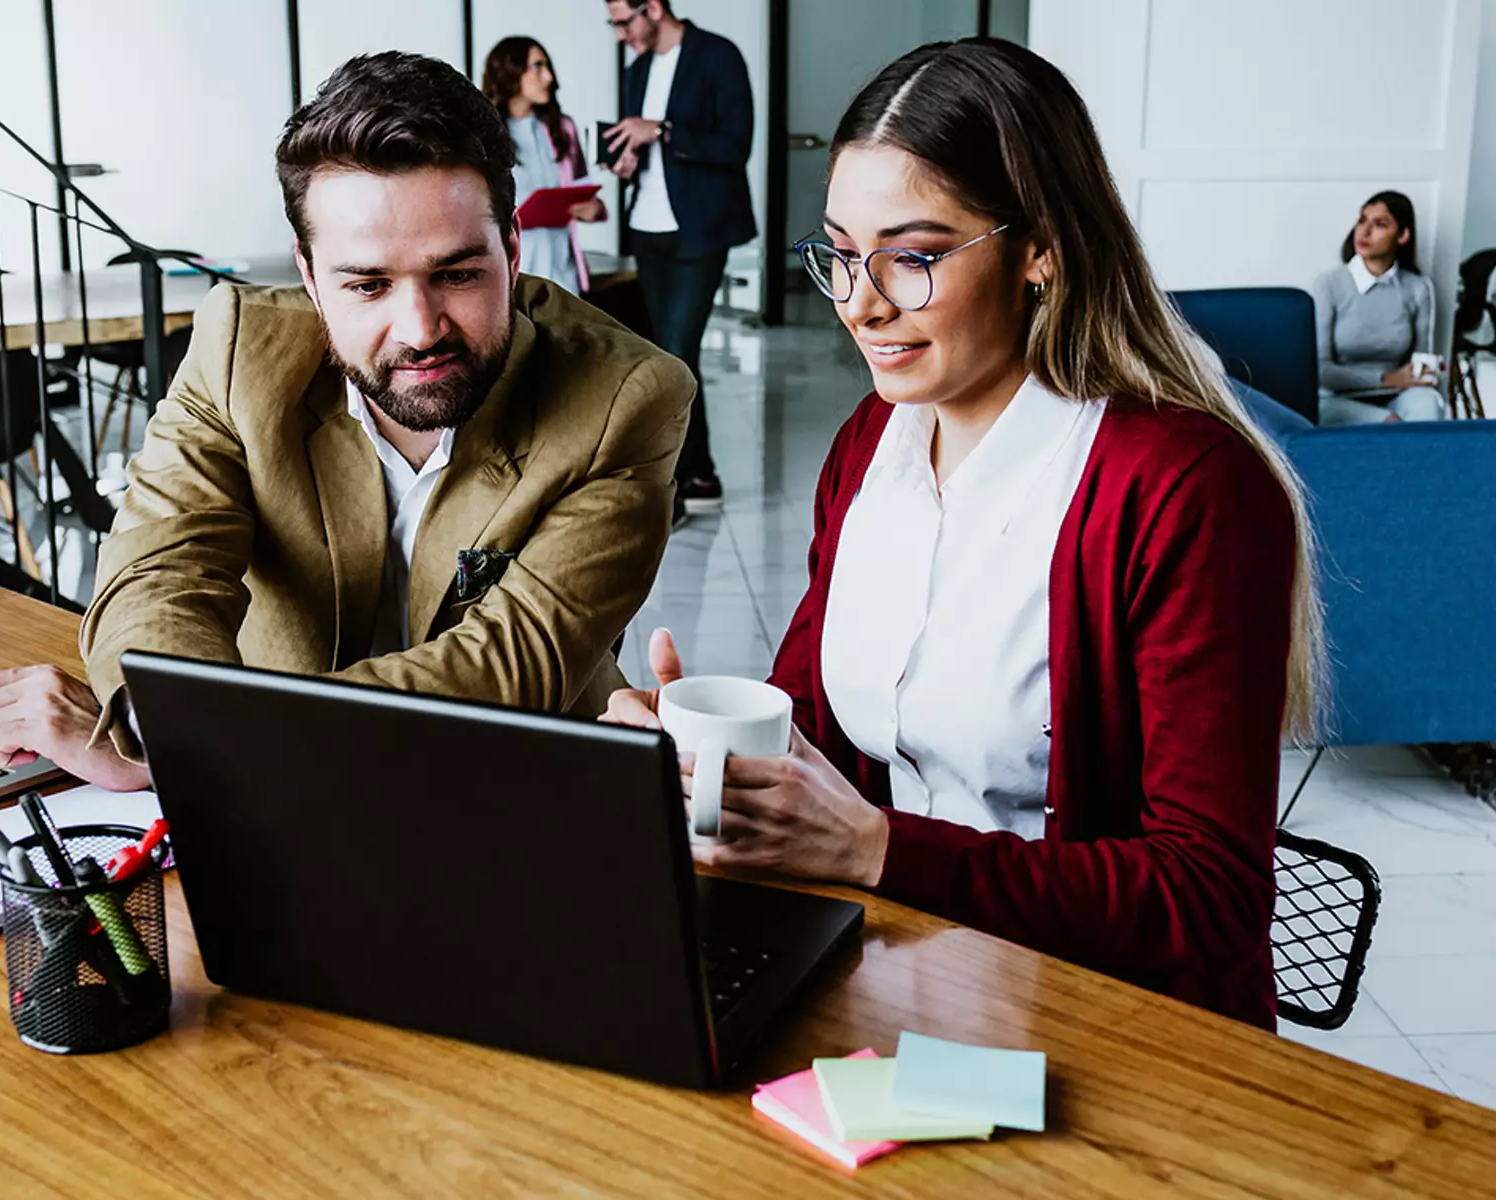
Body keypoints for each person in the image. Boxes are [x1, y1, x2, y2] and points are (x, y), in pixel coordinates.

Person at [605, 38, 1325, 1030]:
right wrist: (704, 748)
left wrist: (874, 852)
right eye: (840, 255)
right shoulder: (872, 441)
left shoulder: (1183, 487)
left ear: (1039, 248)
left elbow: (1208, 906)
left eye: (910, 257)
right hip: (890, 980)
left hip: (1103, 1026)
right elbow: (815, 716)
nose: (859, 305)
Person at [0, 52, 694, 792]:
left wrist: (194, 744)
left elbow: (508, 666)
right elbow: (158, 572)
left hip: (517, 791)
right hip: (269, 796)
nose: (420, 327)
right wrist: (162, 726)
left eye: (457, 274)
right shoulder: (239, 347)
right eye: (368, 284)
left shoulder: (627, 396)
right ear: (310, 276)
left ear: (512, 249)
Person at [604, 0, 756, 516]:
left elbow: (736, 145)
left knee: (673, 353)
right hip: (648, 229)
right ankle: (702, 472)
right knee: (671, 356)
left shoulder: (718, 56)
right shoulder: (637, 69)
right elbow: (637, 146)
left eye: (625, 21)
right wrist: (626, 158)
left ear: (653, 7)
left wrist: (662, 130)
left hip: (699, 231)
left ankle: (672, 487)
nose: (621, 34)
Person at [481, 37, 609, 297]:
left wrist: (593, 208)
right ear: (510, 72)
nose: (548, 77)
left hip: (564, 274)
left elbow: (581, 188)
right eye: (537, 66)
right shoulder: (483, 135)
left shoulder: (563, 129)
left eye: (547, 66)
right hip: (513, 277)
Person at [1310, 190, 1445, 425]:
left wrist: (1427, 372)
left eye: (1380, 224)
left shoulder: (1418, 288)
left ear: (1403, 236)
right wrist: (1387, 379)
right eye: (1362, 220)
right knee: (1390, 424)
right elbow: (1321, 371)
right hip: (1337, 400)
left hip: (1397, 394)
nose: (1364, 231)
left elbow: (1420, 360)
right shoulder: (1328, 284)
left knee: (1429, 404)